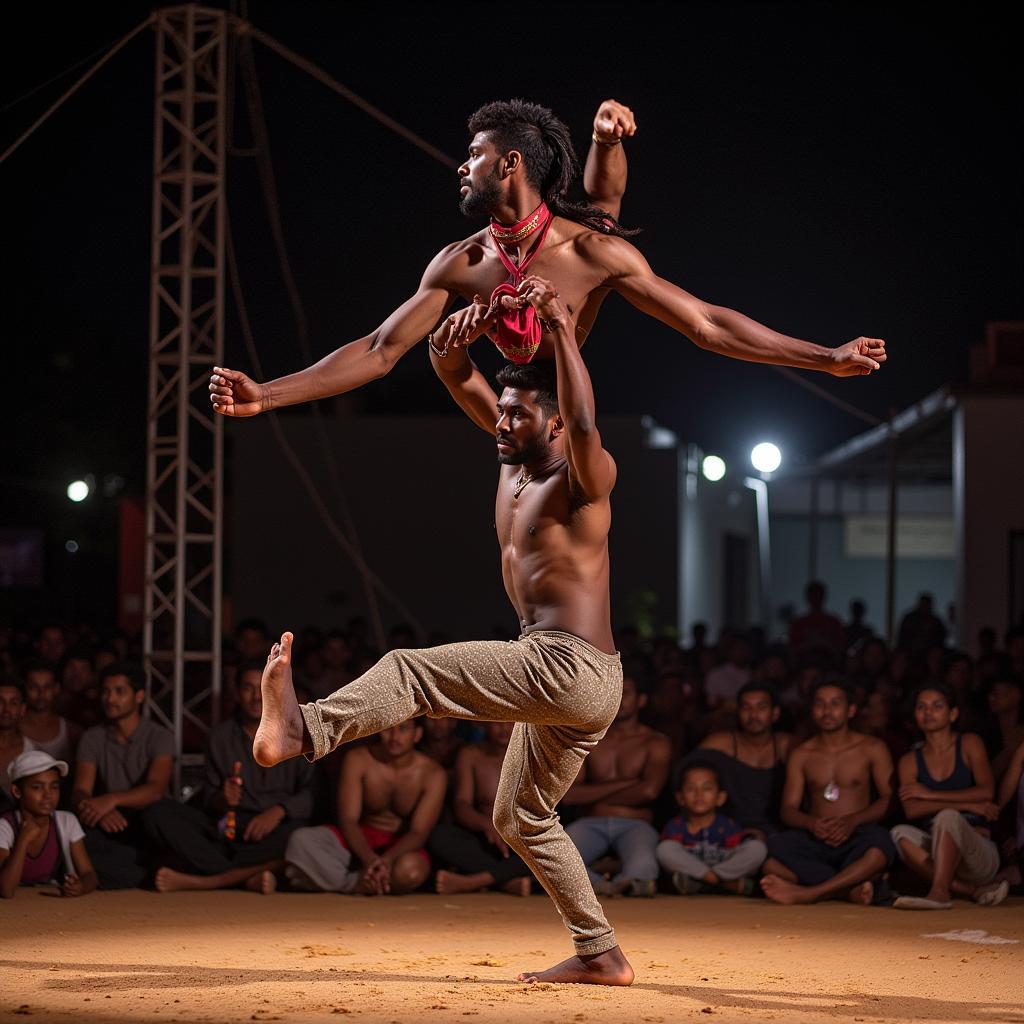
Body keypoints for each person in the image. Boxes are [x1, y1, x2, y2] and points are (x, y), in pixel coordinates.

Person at [252, 276, 633, 987]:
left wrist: (557, 330)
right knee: (519, 816)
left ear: (552, 424)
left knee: (409, 671)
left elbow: (583, 424)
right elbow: (457, 375)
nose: (501, 423)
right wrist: (449, 343)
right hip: (569, 677)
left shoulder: (584, 478)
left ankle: (304, 731)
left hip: (570, 666)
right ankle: (601, 953)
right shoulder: (513, 459)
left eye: (518, 415)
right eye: (502, 413)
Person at [208, 99, 885, 419]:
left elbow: (706, 324)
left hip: (570, 421)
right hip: (499, 413)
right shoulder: (459, 262)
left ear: (508, 164)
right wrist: (268, 394)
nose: (459, 167)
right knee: (445, 363)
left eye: (471, 156)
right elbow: (382, 348)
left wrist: (823, 357)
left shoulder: (591, 250)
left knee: (605, 215)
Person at [144, 661, 314, 894]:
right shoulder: (220, 737)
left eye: (262, 688)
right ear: (236, 694)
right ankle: (249, 877)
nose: (256, 697)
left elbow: (311, 793)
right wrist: (222, 799)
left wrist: (278, 812)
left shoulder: (295, 733)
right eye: (248, 688)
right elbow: (210, 800)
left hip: (276, 829)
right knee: (157, 813)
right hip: (230, 829)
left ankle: (208, 880)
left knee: (301, 838)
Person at [762, 679, 895, 905]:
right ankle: (846, 889)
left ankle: (810, 893)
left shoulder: (872, 748)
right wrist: (812, 824)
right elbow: (788, 809)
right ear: (812, 711)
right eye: (820, 704)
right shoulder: (802, 754)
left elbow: (889, 799)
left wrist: (853, 821)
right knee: (770, 855)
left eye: (835, 704)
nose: (827, 711)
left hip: (857, 834)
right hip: (816, 836)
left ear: (850, 710)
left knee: (880, 850)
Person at [284, 719, 445, 896]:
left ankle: (364, 880)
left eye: (403, 729)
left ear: (417, 734)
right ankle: (354, 883)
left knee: (410, 872)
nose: (394, 737)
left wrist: (385, 860)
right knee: (301, 841)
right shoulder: (359, 759)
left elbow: (418, 833)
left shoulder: (433, 774)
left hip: (399, 847)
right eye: (388, 729)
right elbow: (348, 819)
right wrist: (368, 859)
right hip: (357, 842)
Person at [890, 684, 1007, 909]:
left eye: (937, 706)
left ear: (952, 714)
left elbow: (986, 791)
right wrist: (970, 805)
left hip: (978, 853)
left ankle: (939, 892)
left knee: (947, 816)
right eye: (921, 707)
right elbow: (912, 809)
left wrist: (931, 795)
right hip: (939, 850)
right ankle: (970, 892)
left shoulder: (969, 743)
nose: (928, 712)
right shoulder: (910, 761)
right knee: (899, 833)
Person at [562, 675, 670, 897]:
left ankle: (604, 882)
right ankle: (602, 884)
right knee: (556, 858)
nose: (618, 699)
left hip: (635, 824)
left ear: (641, 700)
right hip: (590, 823)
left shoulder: (655, 742)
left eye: (625, 693)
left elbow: (649, 792)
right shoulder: (587, 738)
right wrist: (629, 783)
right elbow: (570, 795)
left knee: (643, 868)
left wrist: (594, 792)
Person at [72, 662, 174, 889]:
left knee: (163, 817)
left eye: (119, 691)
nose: (110, 699)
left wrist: (111, 800)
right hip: (109, 820)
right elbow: (80, 791)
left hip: (147, 817)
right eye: (106, 691)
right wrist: (98, 811)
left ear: (139, 696)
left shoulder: (160, 735)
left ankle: (145, 872)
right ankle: (147, 874)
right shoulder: (93, 737)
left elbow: (156, 789)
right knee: (76, 836)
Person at [429, 720, 533, 896]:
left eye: (510, 722)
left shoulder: (532, 756)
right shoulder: (471, 755)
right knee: (438, 836)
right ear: (483, 724)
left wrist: (511, 830)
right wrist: (488, 826)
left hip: (520, 839)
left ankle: (471, 882)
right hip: (485, 838)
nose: (504, 728)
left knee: (548, 852)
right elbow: (462, 805)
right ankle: (506, 882)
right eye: (497, 722)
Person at [693, 681, 792, 836]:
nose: (753, 715)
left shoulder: (786, 745)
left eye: (761, 707)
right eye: (746, 708)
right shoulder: (720, 743)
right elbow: (686, 781)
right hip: (725, 830)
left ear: (775, 713)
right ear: (738, 713)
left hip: (777, 833)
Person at [656, 761, 767, 895]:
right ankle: (725, 885)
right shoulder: (676, 826)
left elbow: (741, 849)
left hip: (724, 867)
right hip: (692, 869)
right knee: (664, 849)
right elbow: (670, 856)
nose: (699, 794)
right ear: (680, 798)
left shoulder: (727, 825)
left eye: (707, 788)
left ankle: (704, 882)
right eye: (691, 788)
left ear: (720, 798)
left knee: (757, 848)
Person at [0, 750, 96, 898]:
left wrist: (81, 886)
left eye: (54, 787)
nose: (48, 795)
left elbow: (89, 874)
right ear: (17, 791)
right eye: (37, 787)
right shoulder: (5, 826)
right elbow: (6, 890)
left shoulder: (66, 821)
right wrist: (23, 840)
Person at [19, 659, 80, 763]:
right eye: (34, 687)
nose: (41, 693)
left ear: (56, 688)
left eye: (47, 687)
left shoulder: (72, 732)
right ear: (25, 689)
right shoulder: (11, 727)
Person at [789, 582, 846, 662]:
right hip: (804, 666)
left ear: (823, 597)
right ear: (808, 598)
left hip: (829, 664)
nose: (816, 598)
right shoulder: (798, 623)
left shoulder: (833, 622)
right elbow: (793, 649)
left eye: (818, 595)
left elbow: (840, 647)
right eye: (813, 595)